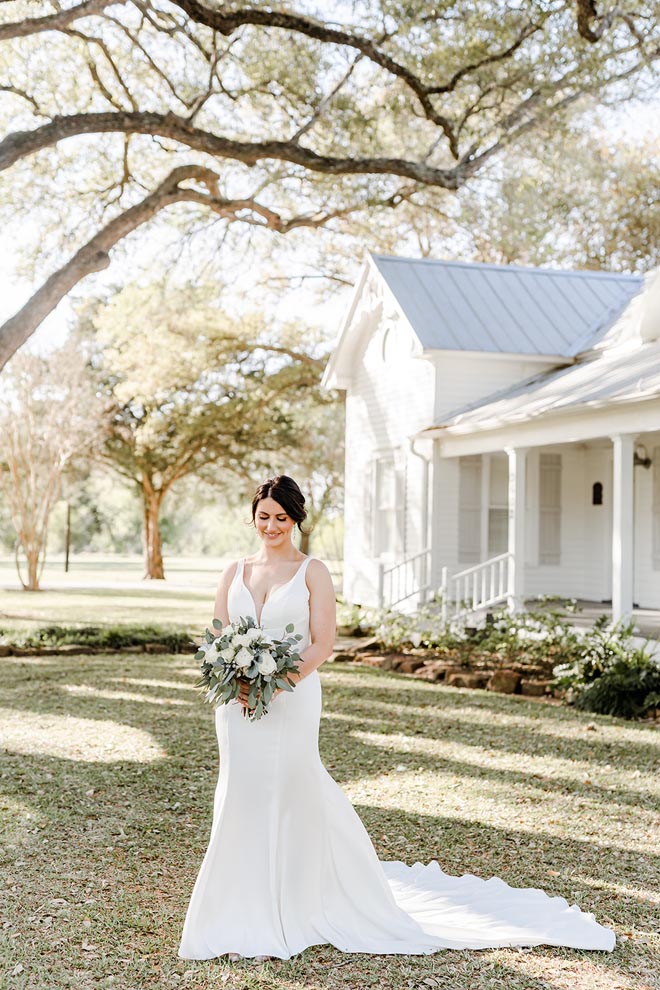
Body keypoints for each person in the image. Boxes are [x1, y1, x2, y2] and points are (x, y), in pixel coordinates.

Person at [178, 475, 616, 961]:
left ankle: (298, 900)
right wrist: (234, 679)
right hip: (235, 706)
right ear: (253, 516)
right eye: (264, 516)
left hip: (292, 699)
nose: (272, 526)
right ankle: (235, 903)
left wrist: (275, 683)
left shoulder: (312, 571)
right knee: (240, 789)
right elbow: (216, 634)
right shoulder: (234, 570)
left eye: (282, 517)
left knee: (292, 786)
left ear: (296, 519)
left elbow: (323, 642)